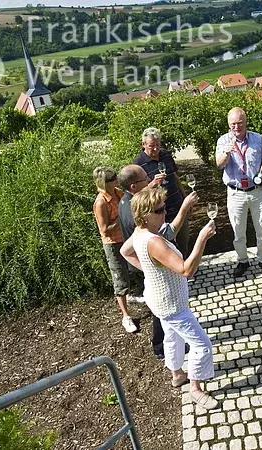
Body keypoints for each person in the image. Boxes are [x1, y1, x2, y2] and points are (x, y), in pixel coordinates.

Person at [120, 187, 219, 410]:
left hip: (157, 300)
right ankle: (195, 389)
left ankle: (176, 374)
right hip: (172, 304)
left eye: (164, 207)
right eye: (159, 210)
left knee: (172, 337)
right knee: (201, 345)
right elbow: (186, 270)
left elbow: (125, 252)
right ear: (144, 215)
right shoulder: (154, 242)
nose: (165, 212)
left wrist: (149, 271)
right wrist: (202, 239)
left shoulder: (140, 232)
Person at [118, 164, 198, 358]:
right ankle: (161, 349)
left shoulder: (131, 203)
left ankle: (171, 360)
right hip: (159, 281)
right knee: (163, 316)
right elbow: (182, 265)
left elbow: (125, 249)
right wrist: (200, 236)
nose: (151, 179)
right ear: (134, 186)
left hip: (151, 269)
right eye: (146, 178)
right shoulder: (139, 216)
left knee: (164, 320)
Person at [215, 107, 262, 278]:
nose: (237, 127)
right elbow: (219, 164)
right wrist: (227, 153)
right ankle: (242, 260)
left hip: (257, 190)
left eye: (240, 123)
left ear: (245, 122)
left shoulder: (258, 139)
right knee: (238, 231)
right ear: (228, 124)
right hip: (235, 193)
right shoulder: (223, 141)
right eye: (233, 124)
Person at [92, 166, 138, 334]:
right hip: (113, 244)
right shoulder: (101, 202)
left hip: (126, 238)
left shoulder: (118, 193)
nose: (116, 180)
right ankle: (126, 316)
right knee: (119, 277)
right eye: (112, 179)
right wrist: (122, 217)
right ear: (104, 183)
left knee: (133, 269)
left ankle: (130, 297)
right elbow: (104, 229)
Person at [133, 127, 189, 257]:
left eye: (158, 145)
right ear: (143, 144)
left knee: (183, 242)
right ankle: (173, 272)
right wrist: (152, 184)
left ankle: (186, 272)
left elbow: (175, 176)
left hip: (177, 206)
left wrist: (184, 197)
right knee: (166, 247)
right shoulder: (138, 165)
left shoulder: (165, 154)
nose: (155, 149)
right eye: (151, 146)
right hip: (158, 213)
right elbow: (138, 195)